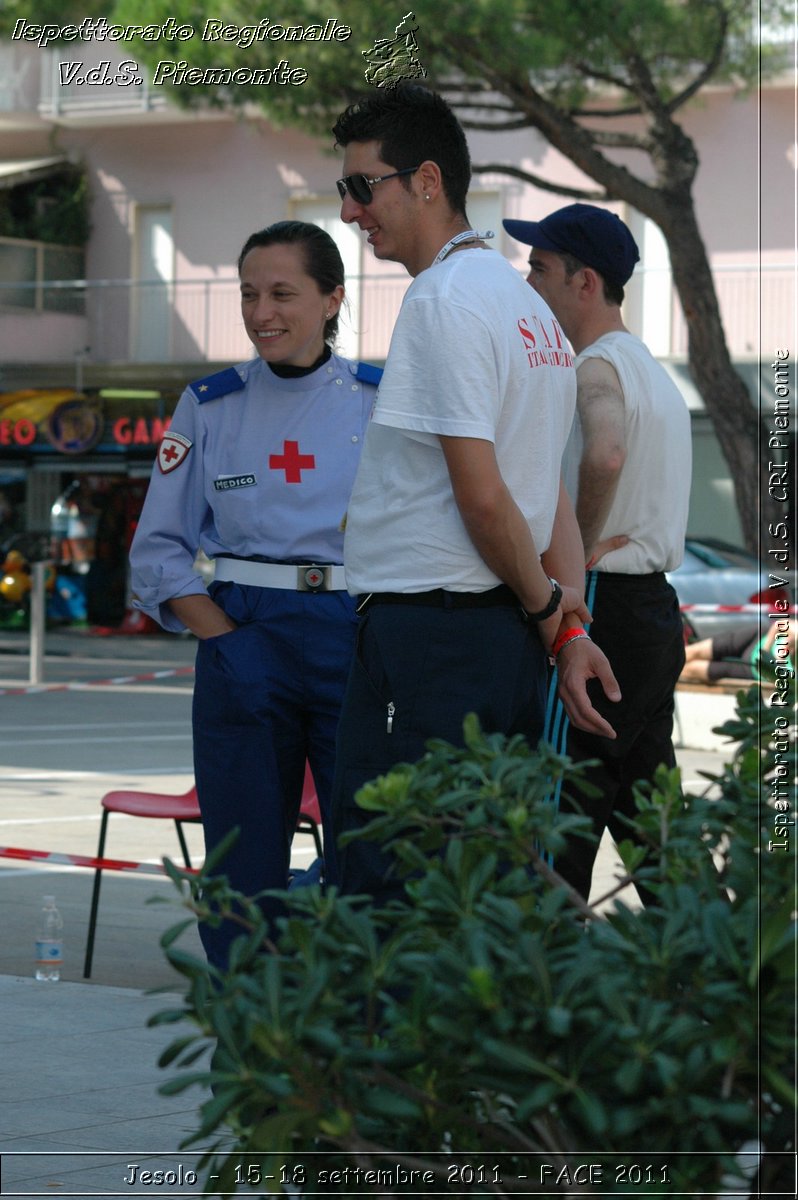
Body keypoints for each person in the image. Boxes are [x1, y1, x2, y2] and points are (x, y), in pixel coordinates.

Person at [330, 87, 621, 903]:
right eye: (343, 192)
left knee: (394, 889)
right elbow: (550, 496)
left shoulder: (443, 301)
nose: (351, 212)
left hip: (433, 638)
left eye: (362, 188)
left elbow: (488, 499)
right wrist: (565, 633)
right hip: (493, 646)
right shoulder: (529, 309)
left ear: (427, 180)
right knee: (480, 884)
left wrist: (543, 607)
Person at [129, 220, 380, 968]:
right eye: (248, 294)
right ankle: (249, 1041)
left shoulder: (381, 401)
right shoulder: (210, 406)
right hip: (245, 632)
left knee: (370, 852)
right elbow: (158, 551)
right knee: (242, 863)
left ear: (333, 298)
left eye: (282, 293)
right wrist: (228, 642)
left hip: (354, 633)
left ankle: (358, 1044)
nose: (261, 312)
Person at [504, 202, 692, 903]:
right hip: (650, 608)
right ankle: (726, 978)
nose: (528, 284)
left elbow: (606, 453)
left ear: (584, 283)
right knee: (651, 816)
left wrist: (571, 554)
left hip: (603, 607)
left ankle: (542, 988)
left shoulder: (593, 367)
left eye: (540, 269)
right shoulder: (650, 368)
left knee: (563, 805)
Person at [681, 620, 796, 685]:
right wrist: (765, 652)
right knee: (694, 652)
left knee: (692, 670)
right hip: (756, 639)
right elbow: (781, 623)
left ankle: (664, 676)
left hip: (751, 671)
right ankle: (663, 662)